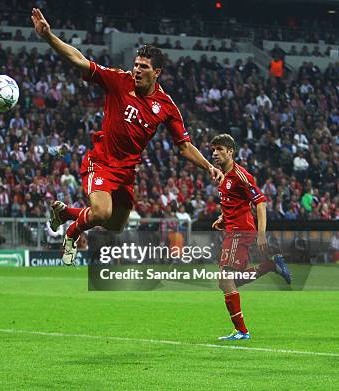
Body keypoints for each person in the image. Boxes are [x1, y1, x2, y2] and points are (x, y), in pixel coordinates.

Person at [31, 8, 224, 265]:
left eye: (143, 67)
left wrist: (209, 166)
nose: (137, 70)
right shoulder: (118, 81)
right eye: (136, 65)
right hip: (101, 160)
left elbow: (184, 146)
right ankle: (72, 232)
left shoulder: (166, 106)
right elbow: (79, 60)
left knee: (115, 225)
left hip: (127, 171)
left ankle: (67, 213)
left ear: (157, 73)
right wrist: (49, 37)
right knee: (101, 212)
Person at [210, 135, 291, 341]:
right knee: (227, 282)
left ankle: (242, 331)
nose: (214, 153)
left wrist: (262, 234)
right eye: (213, 150)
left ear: (230, 151)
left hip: (241, 231)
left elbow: (260, 203)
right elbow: (236, 204)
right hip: (232, 230)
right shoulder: (224, 177)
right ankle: (270, 266)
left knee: (226, 278)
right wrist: (222, 218)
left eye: (219, 149)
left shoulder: (240, 175)